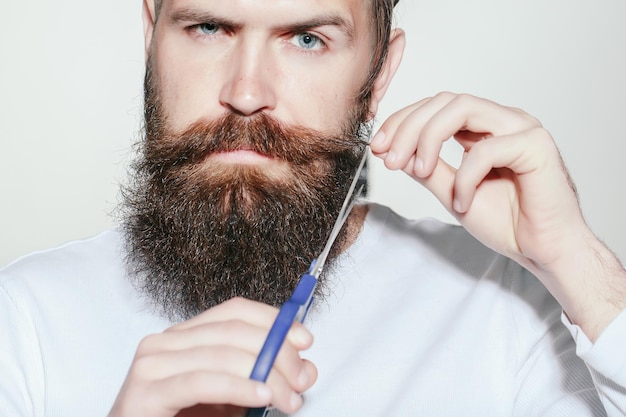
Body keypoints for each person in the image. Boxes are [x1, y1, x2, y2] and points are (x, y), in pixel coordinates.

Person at [1, 0, 625, 416]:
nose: (246, 93)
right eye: (208, 27)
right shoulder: (22, 324)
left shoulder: (504, 312)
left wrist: (581, 270)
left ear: (379, 75)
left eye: (306, 38)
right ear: (150, 35)